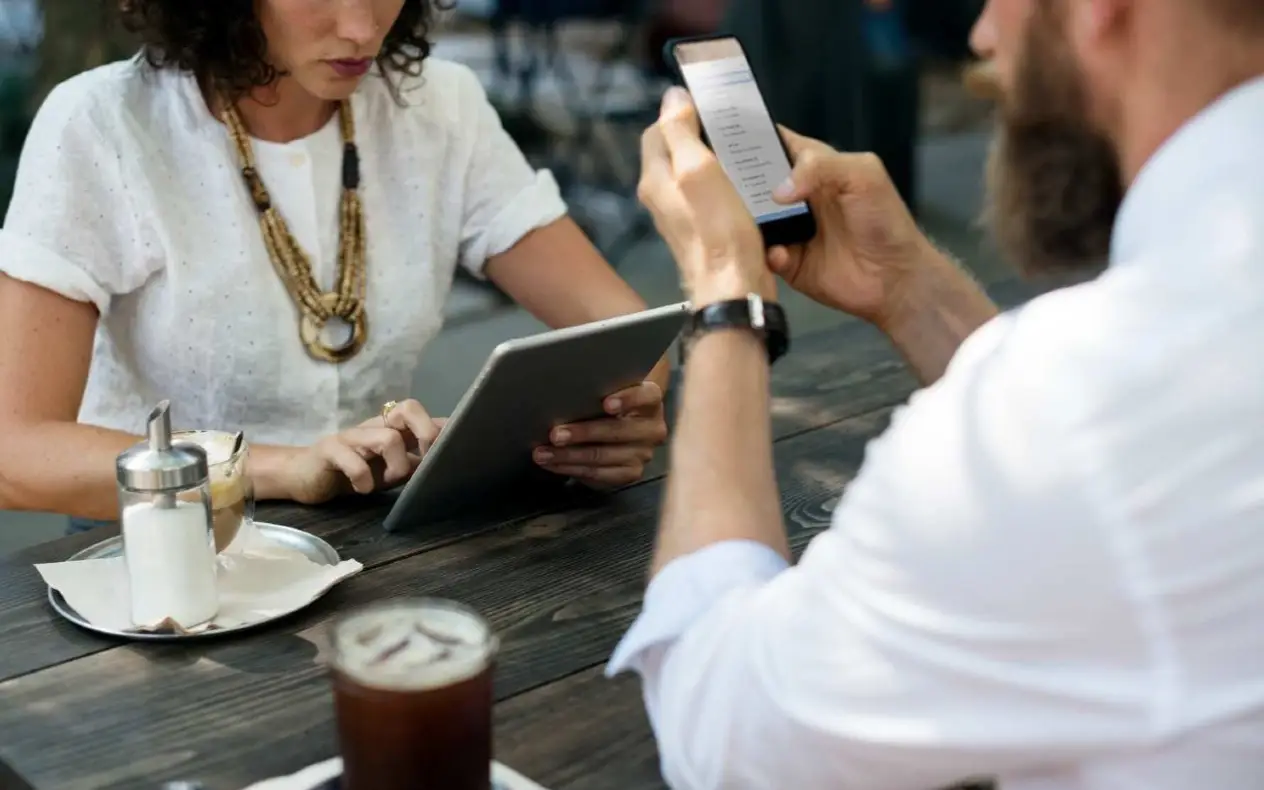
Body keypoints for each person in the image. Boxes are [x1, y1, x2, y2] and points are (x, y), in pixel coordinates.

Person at [611, 0, 1264, 787]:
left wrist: (726, 294)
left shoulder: (1097, 400)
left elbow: (725, 727)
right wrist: (910, 291)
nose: (983, 34)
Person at [0, 0, 670, 529]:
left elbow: (627, 333)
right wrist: (283, 469)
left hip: (378, 544)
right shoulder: (103, 126)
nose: (360, 27)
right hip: (163, 561)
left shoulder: (438, 106)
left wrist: (614, 418)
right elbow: (15, 454)